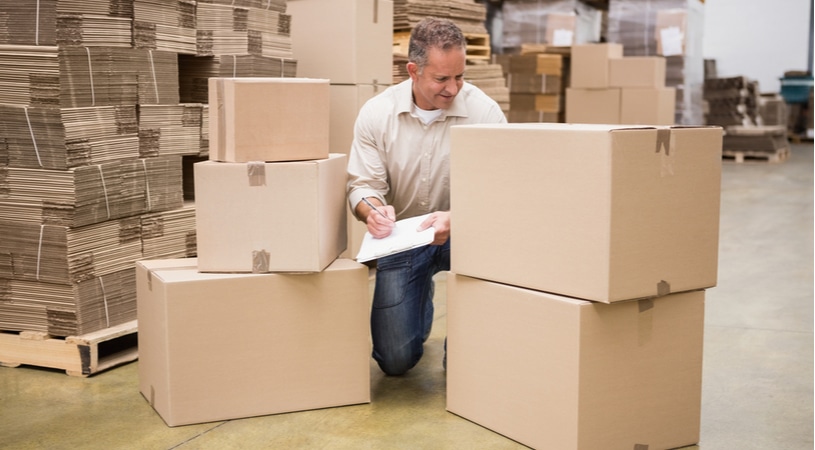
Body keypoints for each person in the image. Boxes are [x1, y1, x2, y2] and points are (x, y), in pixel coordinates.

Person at [346, 17, 507, 376]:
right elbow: (363, 186)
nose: (453, 88)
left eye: (460, 76)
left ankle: (462, 348)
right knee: (395, 361)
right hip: (404, 240)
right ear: (414, 71)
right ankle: (421, 297)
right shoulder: (377, 113)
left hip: (470, 236)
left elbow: (505, 192)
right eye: (442, 79)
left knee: (467, 368)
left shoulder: (485, 114)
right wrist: (371, 211)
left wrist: (458, 218)